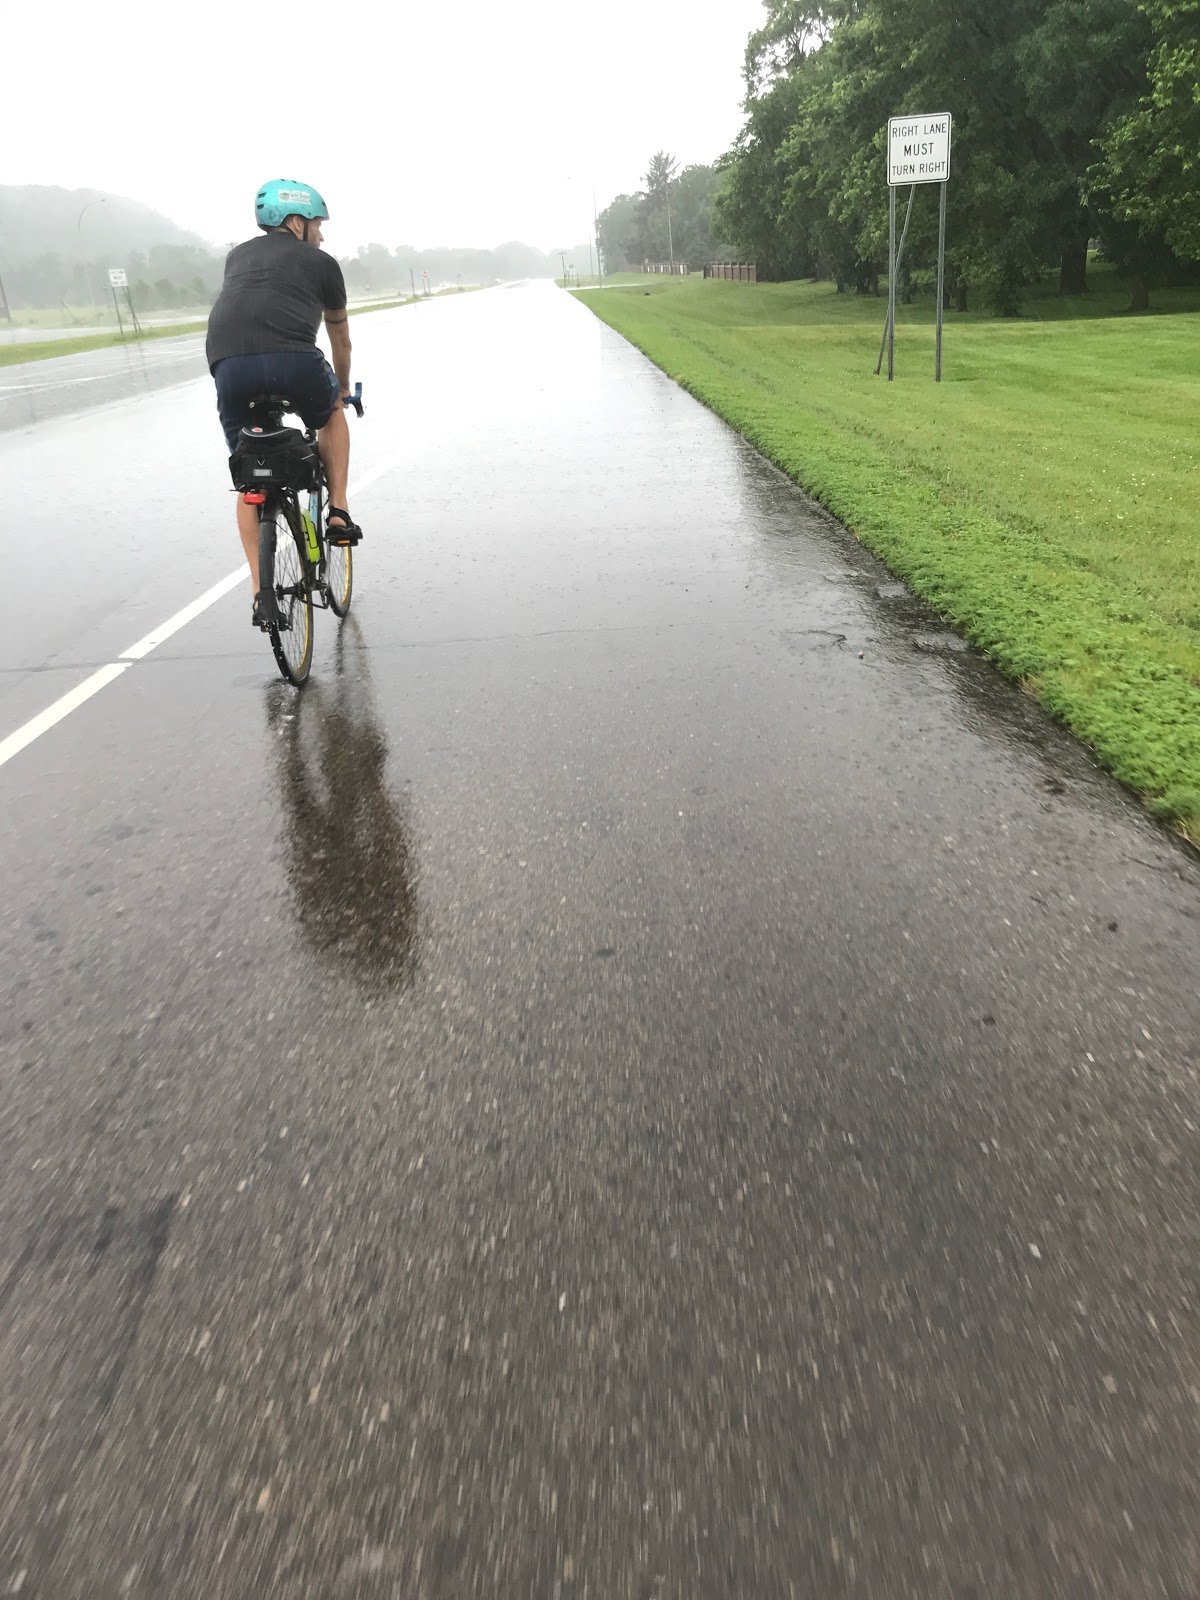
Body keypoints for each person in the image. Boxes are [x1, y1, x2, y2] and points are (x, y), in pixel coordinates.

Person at [207, 178, 362, 627]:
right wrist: (343, 387)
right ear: (296, 221)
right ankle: (338, 510)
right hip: (293, 361)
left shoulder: (236, 256)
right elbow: (341, 339)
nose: (322, 234)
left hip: (227, 363)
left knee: (248, 472)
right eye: (317, 223)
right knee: (331, 410)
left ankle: (261, 594)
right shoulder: (323, 263)